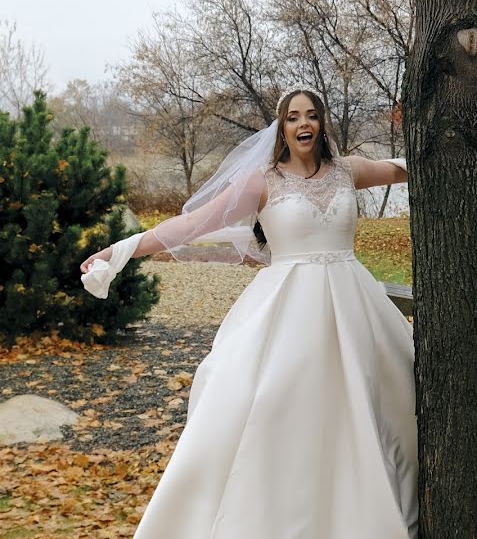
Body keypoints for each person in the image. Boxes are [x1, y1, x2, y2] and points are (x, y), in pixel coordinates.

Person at [80, 88, 418, 538]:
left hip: (355, 302)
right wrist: (121, 251)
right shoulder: (262, 182)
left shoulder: (346, 171)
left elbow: (403, 168)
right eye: (294, 117)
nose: (304, 124)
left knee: (390, 396)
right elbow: (192, 224)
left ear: (322, 124)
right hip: (290, 310)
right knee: (274, 402)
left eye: (312, 116)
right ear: (281, 126)